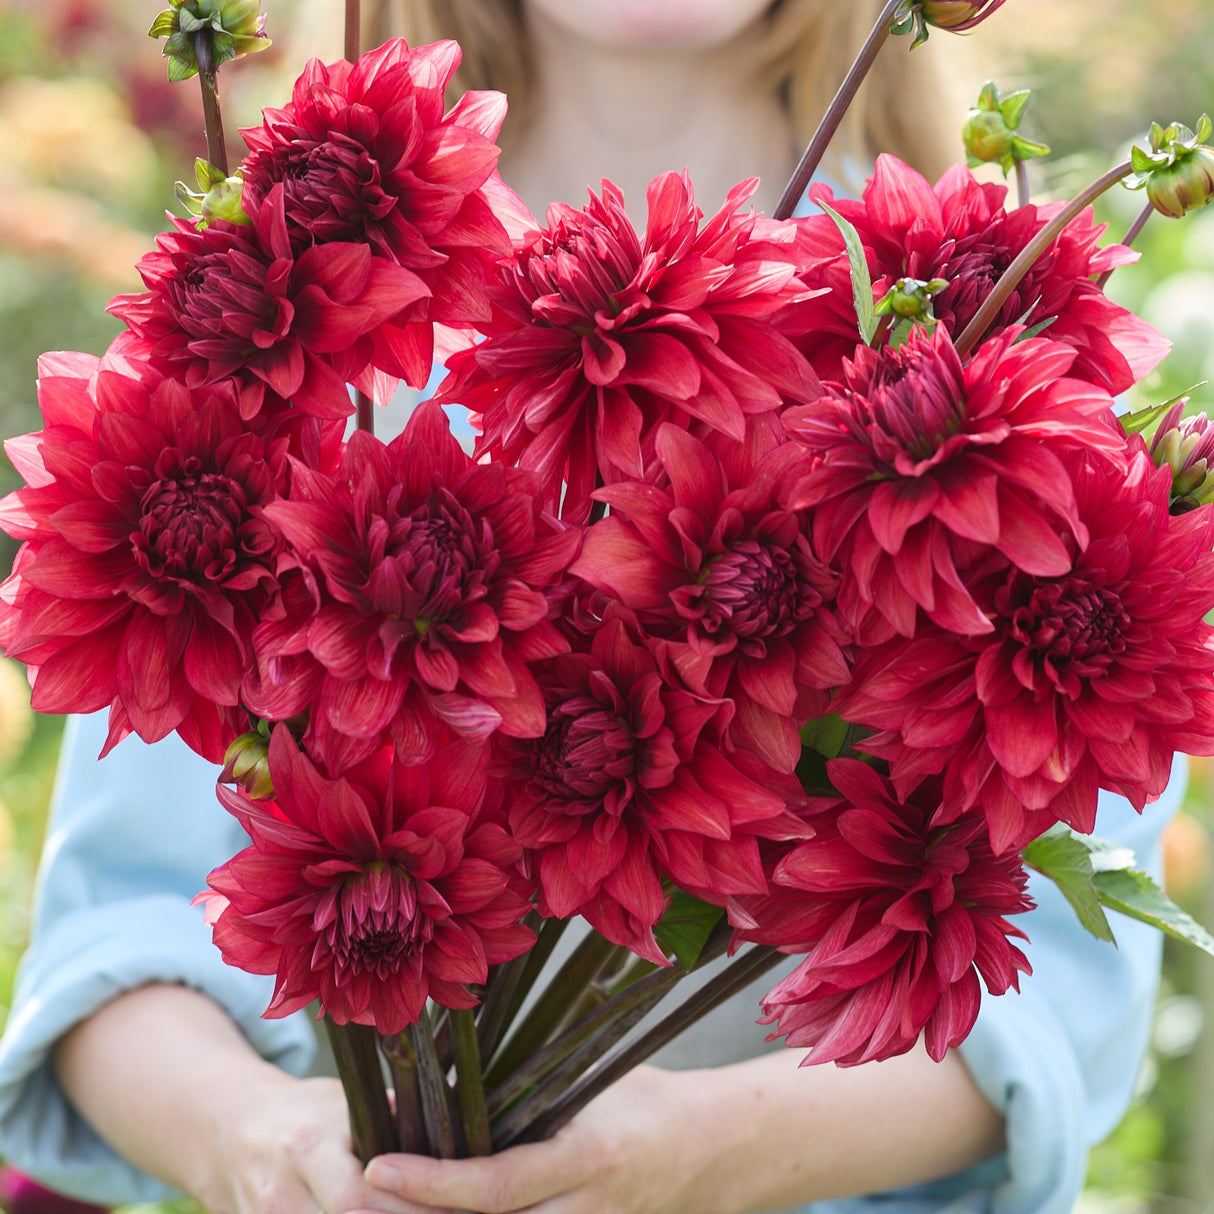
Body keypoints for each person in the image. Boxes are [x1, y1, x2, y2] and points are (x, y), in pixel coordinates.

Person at [0, 2, 1177, 1212]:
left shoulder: (999, 347)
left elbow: (1058, 1010)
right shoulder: (275, 312)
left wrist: (699, 1150)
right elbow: (112, 942)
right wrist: (266, 1141)